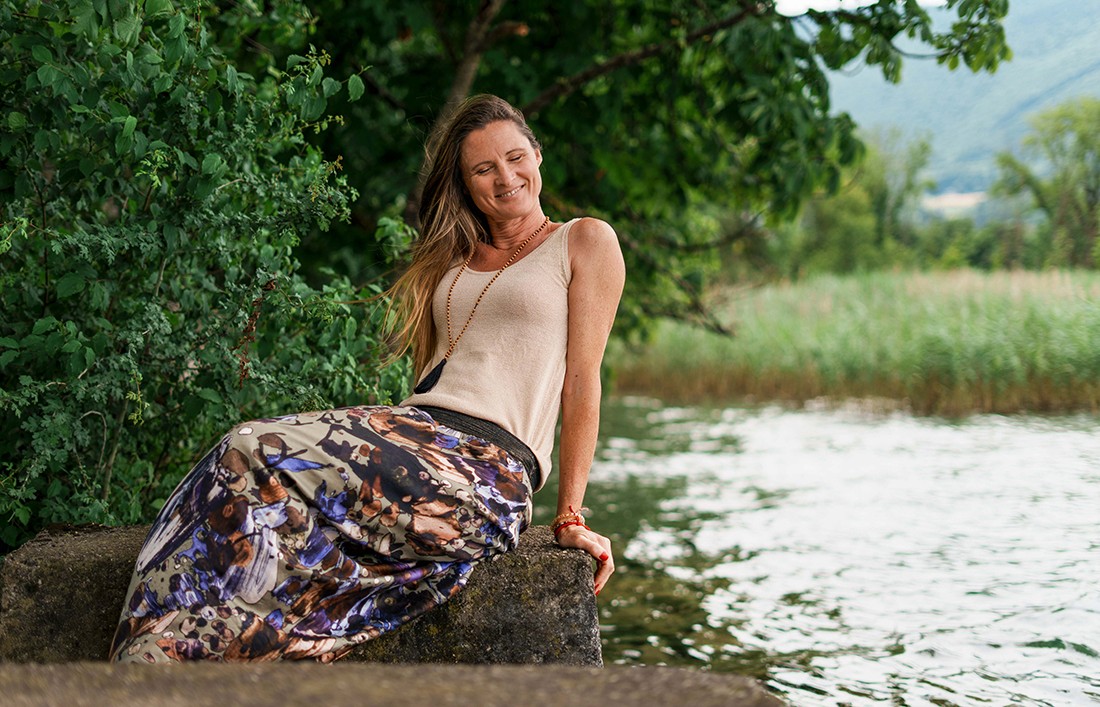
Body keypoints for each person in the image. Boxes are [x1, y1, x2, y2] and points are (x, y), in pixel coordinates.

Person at [109, 94, 626, 663]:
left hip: (486, 471)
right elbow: (434, 379)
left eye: (514, 157)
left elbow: (582, 381)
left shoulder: (581, 241)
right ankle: (153, 654)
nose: (505, 177)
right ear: (466, 182)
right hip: (416, 436)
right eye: (484, 168)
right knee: (240, 467)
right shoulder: (450, 264)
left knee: (254, 444)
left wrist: (570, 514)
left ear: (537, 156)